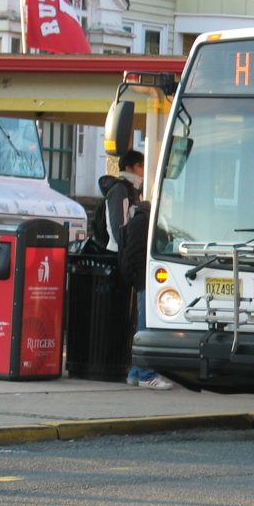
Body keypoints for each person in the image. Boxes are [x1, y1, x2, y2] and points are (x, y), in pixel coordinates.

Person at [118, 199, 174, 390]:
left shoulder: (146, 219)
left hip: (148, 280)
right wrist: (138, 278)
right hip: (146, 280)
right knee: (146, 327)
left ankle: (136, 372)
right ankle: (146, 374)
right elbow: (134, 253)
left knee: (144, 326)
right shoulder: (144, 220)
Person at [100, 150, 145, 253]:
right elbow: (118, 230)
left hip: (129, 252)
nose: (144, 170)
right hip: (119, 253)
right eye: (140, 166)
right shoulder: (119, 190)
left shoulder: (136, 190)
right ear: (128, 168)